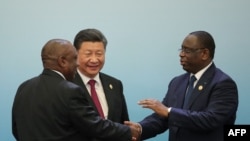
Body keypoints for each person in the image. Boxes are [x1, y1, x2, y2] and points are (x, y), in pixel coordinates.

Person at [12, 39, 139, 141]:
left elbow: (16, 129)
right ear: (62, 61)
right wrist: (129, 131)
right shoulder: (70, 91)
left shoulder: (24, 87)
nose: (77, 64)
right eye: (74, 59)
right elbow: (95, 126)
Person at [125, 31, 238, 141]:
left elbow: (210, 120)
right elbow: (163, 117)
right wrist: (139, 129)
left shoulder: (223, 84)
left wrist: (169, 112)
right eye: (181, 49)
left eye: (187, 50)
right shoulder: (177, 82)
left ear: (204, 54)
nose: (181, 54)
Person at [72, 29, 129, 124]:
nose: (94, 60)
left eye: (99, 54)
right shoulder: (67, 85)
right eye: (88, 54)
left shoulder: (115, 84)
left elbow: (124, 123)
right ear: (76, 54)